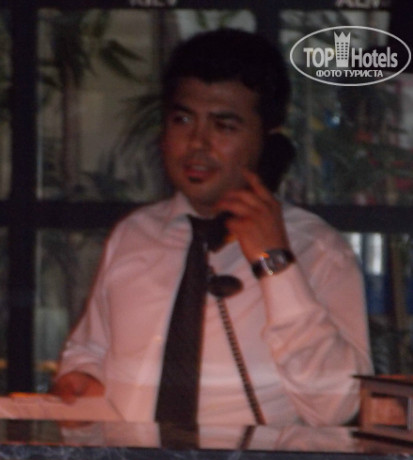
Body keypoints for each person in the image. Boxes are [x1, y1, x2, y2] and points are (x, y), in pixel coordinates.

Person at [52, 28, 373, 428]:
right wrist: (82, 377)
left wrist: (276, 264)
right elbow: (90, 350)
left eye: (224, 126)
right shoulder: (133, 236)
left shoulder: (319, 250)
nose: (197, 143)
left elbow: (338, 407)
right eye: (183, 120)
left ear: (268, 140)